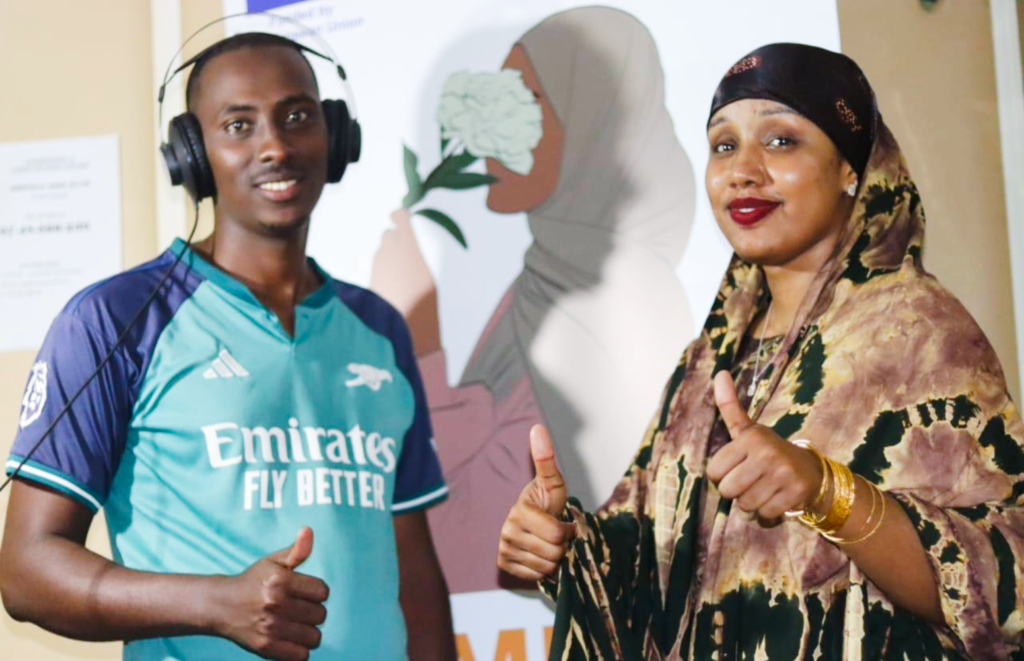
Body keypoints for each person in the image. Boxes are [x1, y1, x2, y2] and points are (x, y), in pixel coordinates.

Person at [497, 42, 1024, 660]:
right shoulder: (709, 358)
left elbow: (1003, 582)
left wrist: (826, 492)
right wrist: (562, 543)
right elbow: (651, 558)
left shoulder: (920, 332)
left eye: (780, 140)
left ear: (851, 169)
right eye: (724, 145)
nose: (743, 170)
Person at [0, 33, 455, 661]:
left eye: (297, 116)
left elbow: (414, 571)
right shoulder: (114, 321)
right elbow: (26, 571)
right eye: (239, 125)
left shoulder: (380, 329)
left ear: (335, 137)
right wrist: (218, 604)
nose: (275, 146)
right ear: (193, 155)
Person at [370, 6, 696, 593]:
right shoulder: (545, 278)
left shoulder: (617, 296)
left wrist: (419, 342)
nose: (493, 131)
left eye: (526, 103)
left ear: (594, 123)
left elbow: (479, 529)